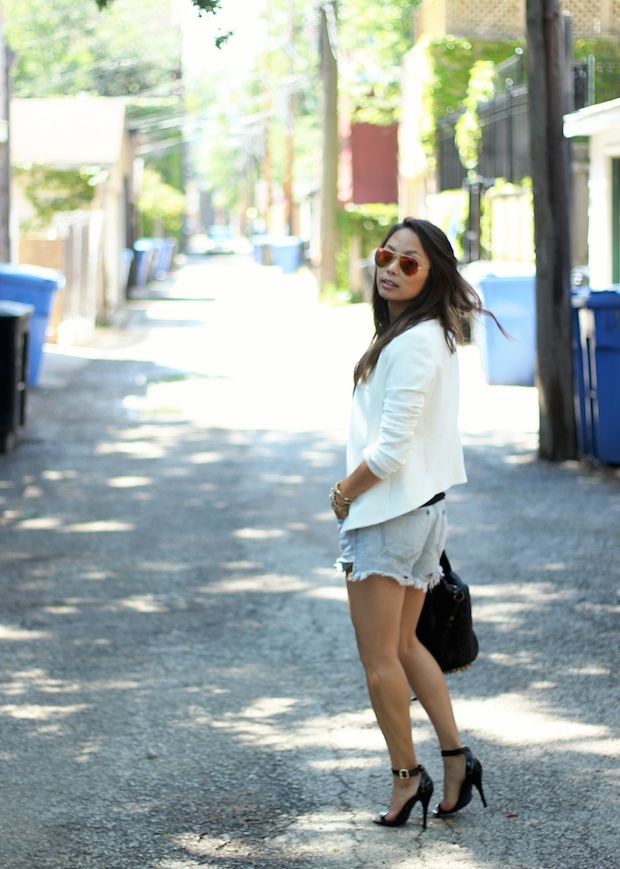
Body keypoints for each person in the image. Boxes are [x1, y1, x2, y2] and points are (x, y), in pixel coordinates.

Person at [330, 217, 495, 830]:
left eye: (409, 263)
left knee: (380, 660)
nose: (391, 269)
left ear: (433, 275)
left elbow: (390, 450)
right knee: (405, 646)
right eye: (386, 255)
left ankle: (407, 778)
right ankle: (455, 760)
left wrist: (342, 494)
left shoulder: (416, 340)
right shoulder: (430, 334)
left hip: (389, 516)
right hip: (421, 513)